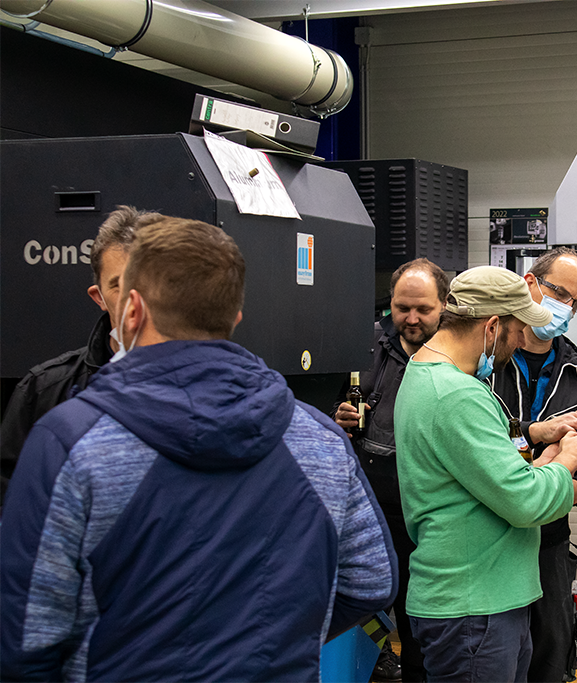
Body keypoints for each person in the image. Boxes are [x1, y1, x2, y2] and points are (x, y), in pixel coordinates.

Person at [0, 217, 397, 681]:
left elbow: (26, 638)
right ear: (235, 315)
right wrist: (274, 640)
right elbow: (371, 581)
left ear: (131, 310)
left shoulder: (71, 441)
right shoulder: (320, 440)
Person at [394, 265, 577, 683]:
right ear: (492, 326)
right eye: (518, 331)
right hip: (474, 607)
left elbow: (492, 483)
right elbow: (525, 502)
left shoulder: (427, 374)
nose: (521, 341)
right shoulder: (458, 394)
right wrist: (570, 459)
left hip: (484, 599)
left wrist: (544, 457)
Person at [488, 248, 577, 683]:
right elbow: (475, 445)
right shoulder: (486, 366)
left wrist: (561, 488)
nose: (566, 309)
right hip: (490, 540)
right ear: (530, 283)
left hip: (550, 542)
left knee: (550, 657)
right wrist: (538, 440)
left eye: (575, 304)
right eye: (560, 294)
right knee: (495, 658)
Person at [0, 206, 163, 512]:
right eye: (119, 285)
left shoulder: (220, 384)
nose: (135, 300)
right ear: (99, 297)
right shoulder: (42, 393)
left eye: (148, 282)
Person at [333, 257, 449, 683]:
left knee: (421, 625)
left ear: (445, 305)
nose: (411, 319)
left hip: (431, 513)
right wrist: (338, 415)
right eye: (402, 308)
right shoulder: (365, 345)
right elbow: (327, 403)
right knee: (367, 617)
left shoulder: (459, 354)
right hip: (373, 507)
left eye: (423, 309)